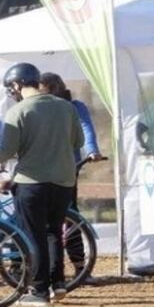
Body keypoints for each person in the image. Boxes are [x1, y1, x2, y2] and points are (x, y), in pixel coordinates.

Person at [0, 62, 84, 307]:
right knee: (54, 233)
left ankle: (38, 290)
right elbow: (78, 141)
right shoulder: (66, 107)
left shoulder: (18, 111)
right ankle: (58, 284)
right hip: (64, 180)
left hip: (31, 182)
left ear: (16, 85)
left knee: (33, 235)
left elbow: (7, 150)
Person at [40, 73, 102, 285]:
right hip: (41, 170)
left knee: (69, 215)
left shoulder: (75, 107)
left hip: (66, 169)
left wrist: (92, 151)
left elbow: (86, 128)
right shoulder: (39, 107)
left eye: (47, 89)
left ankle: (79, 266)